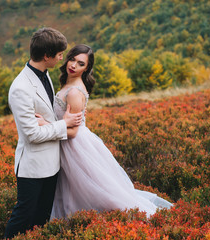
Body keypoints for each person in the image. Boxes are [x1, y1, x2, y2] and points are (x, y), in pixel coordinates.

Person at [37, 44, 173, 220]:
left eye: (80, 64)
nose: (73, 65)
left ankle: (121, 220)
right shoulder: (68, 83)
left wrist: (46, 124)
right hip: (67, 143)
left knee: (92, 192)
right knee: (75, 192)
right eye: (72, 59)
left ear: (86, 69)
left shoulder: (74, 93)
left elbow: (72, 132)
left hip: (74, 145)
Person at [4, 28, 83, 239]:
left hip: (52, 164)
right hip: (33, 167)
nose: (61, 58)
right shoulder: (20, 88)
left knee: (42, 218)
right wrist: (64, 123)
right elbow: (32, 135)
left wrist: (50, 123)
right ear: (46, 56)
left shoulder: (44, 75)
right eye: (58, 54)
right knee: (23, 217)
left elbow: (45, 120)